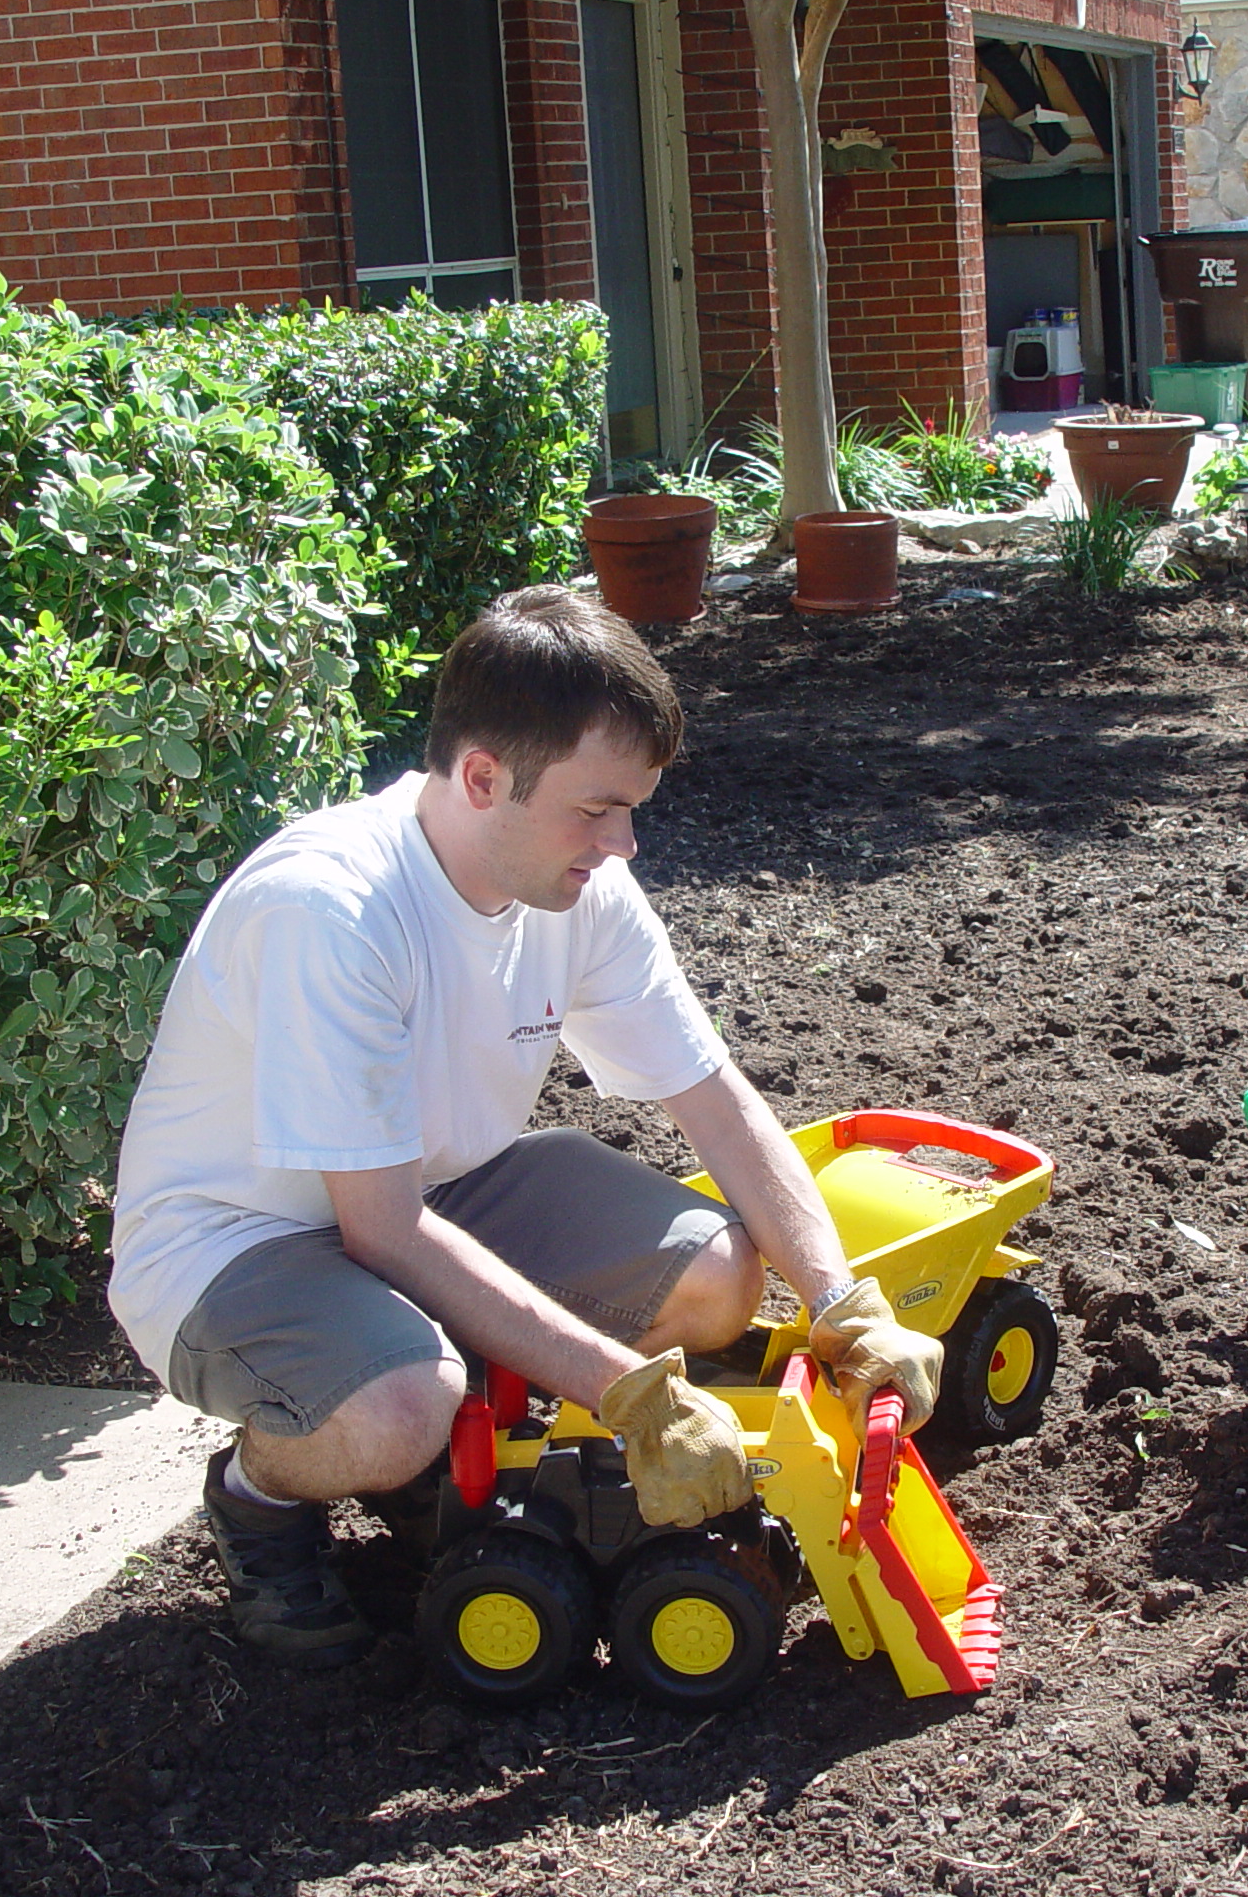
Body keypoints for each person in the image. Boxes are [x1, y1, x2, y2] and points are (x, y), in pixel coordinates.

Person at [108, 587, 940, 1666]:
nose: (625, 843)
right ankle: (260, 1498)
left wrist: (841, 1302)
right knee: (400, 1406)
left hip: (438, 1189)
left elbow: (714, 1099)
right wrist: (628, 1399)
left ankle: (443, 1424)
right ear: (483, 777)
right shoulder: (331, 910)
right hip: (237, 1245)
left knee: (717, 1277)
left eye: (633, 808)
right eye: (597, 809)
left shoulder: (572, 885)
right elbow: (382, 1231)